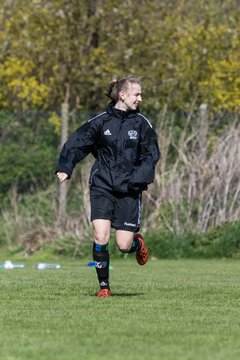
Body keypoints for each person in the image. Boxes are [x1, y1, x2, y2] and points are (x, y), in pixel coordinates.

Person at [56, 77, 160, 298]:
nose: (140, 99)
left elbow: (151, 155)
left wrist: (138, 179)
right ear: (122, 95)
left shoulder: (142, 124)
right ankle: (104, 287)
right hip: (102, 185)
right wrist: (66, 166)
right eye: (136, 94)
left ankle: (136, 243)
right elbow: (77, 142)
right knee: (100, 236)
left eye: (141, 95)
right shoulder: (100, 122)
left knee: (123, 245)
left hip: (130, 189)